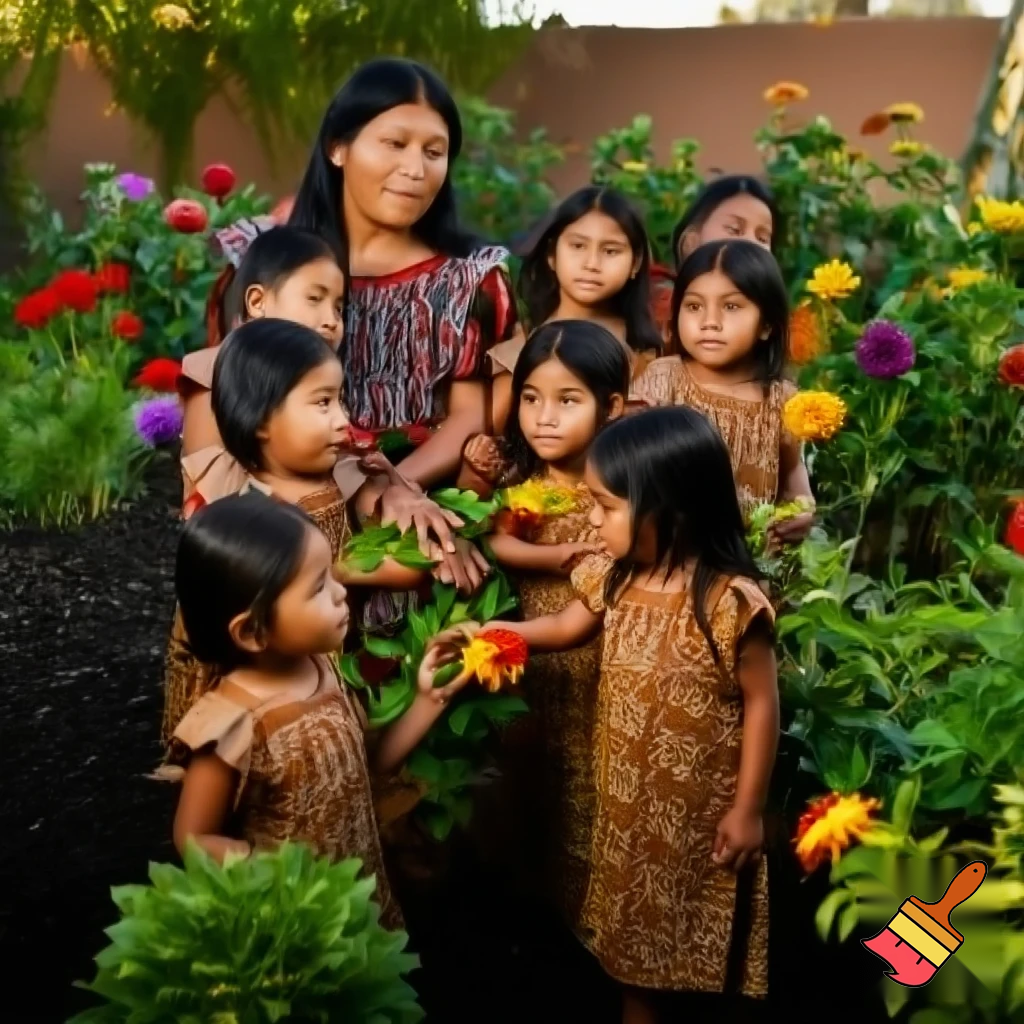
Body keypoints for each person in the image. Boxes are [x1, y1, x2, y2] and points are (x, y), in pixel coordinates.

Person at [451, 407, 779, 1020]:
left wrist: (748, 809)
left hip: (699, 815)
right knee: (634, 955)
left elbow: (763, 702)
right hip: (629, 808)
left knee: (692, 950)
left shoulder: (731, 603)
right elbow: (563, 626)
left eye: (605, 507)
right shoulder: (617, 576)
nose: (592, 519)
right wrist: (494, 633)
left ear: (669, 507)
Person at [162, 319, 480, 746]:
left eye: (341, 401)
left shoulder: (340, 476)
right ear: (261, 420)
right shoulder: (253, 512)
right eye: (323, 403)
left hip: (334, 655)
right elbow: (387, 568)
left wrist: (401, 494)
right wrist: (353, 572)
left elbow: (392, 532)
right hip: (276, 678)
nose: (342, 420)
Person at [161, 494, 473, 929]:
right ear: (252, 630)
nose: (342, 591)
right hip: (298, 923)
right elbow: (192, 838)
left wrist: (428, 699)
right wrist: (277, 875)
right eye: (318, 587)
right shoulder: (229, 722)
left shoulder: (322, 668)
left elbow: (367, 767)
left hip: (362, 902)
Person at [288, 57, 521, 489]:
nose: (415, 170)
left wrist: (386, 491)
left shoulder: (469, 281)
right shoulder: (278, 270)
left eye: (434, 152)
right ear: (338, 147)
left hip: (428, 503)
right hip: (293, 503)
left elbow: (470, 415)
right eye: (395, 144)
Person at [178, 225, 462, 560]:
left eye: (339, 307)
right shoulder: (213, 371)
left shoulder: (313, 381)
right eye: (314, 298)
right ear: (258, 301)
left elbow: (345, 465)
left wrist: (393, 492)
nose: (331, 320)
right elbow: (209, 493)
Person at [482, 321, 628, 922]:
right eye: (531, 398)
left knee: (597, 789)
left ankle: (599, 918)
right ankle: (541, 922)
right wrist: (556, 555)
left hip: (604, 669)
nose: (544, 417)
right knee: (539, 785)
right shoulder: (529, 492)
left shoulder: (617, 490)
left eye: (567, 400)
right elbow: (497, 543)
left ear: (611, 406)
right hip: (539, 665)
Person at [632, 240, 814, 543]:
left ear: (767, 324)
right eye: (694, 306)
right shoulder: (663, 379)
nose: (709, 322)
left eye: (731, 306)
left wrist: (802, 512)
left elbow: (795, 477)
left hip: (753, 561)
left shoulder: (781, 399)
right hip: (671, 557)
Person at [652, 176, 778, 346]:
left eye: (762, 238)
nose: (750, 243)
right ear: (691, 242)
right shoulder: (655, 305)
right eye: (734, 229)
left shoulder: (769, 321)